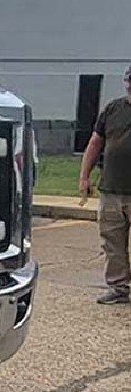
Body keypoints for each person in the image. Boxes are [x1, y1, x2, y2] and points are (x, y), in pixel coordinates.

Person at [79, 64, 131, 304]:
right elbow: (94, 143)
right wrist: (84, 177)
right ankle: (119, 288)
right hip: (111, 190)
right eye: (130, 80)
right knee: (113, 243)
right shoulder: (112, 109)